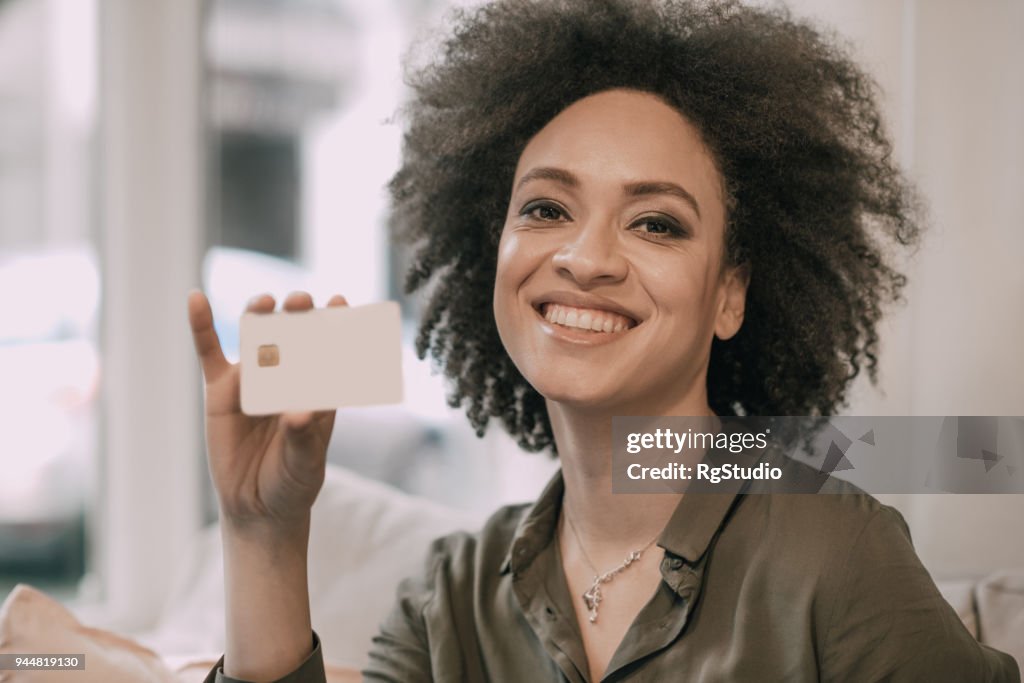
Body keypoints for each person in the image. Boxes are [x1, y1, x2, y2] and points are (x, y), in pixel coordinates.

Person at [188, 0, 1020, 681]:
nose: (584, 259)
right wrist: (263, 535)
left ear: (730, 295)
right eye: (546, 208)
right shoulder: (448, 604)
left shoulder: (838, 553)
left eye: (656, 223)